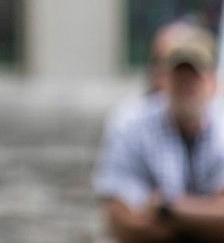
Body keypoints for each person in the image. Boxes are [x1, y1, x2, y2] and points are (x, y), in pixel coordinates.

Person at [94, 24, 224, 242]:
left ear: (212, 82)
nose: (186, 85)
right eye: (179, 76)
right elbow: (121, 221)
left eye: (194, 77)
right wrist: (204, 221)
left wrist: (166, 208)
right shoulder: (128, 123)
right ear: (165, 78)